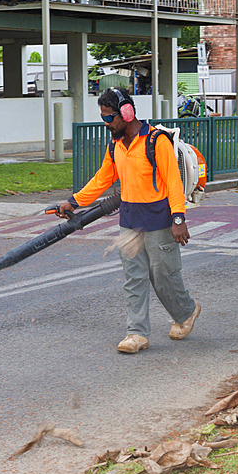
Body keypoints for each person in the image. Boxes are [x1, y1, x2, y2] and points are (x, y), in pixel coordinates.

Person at [56, 88, 200, 354]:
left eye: (109, 118)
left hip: (159, 221)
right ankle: (137, 334)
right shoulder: (116, 146)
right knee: (133, 278)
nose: (106, 124)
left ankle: (187, 311)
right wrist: (74, 201)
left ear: (127, 112)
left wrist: (179, 218)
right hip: (130, 221)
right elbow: (102, 178)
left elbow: (173, 182)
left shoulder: (156, 141)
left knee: (163, 276)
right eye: (103, 118)